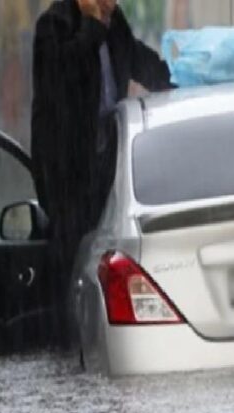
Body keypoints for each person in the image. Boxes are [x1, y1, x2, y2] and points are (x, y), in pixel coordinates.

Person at [31, 0, 173, 278]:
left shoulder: (114, 23)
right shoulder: (54, 26)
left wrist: (180, 79)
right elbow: (67, 76)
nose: (110, 4)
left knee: (108, 259)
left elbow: (138, 59)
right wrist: (92, 26)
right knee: (73, 264)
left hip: (105, 167)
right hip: (68, 178)